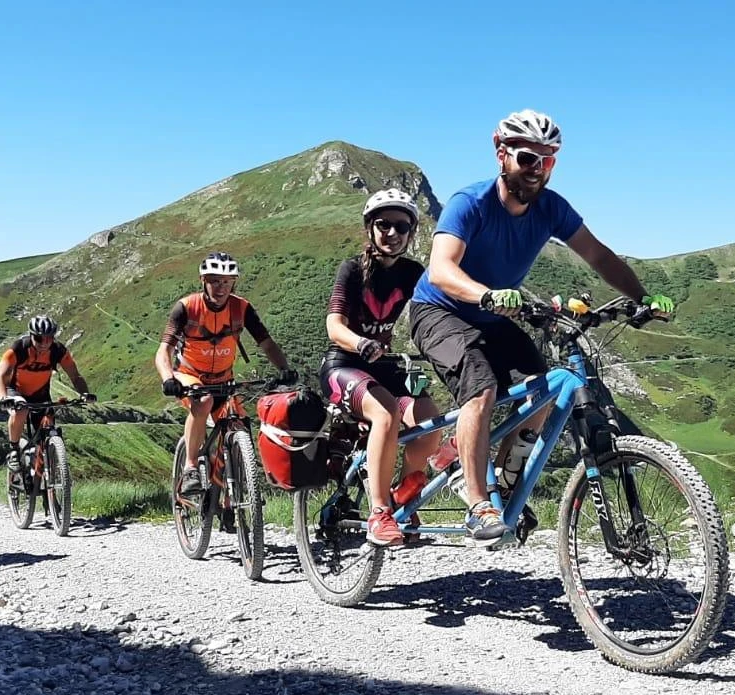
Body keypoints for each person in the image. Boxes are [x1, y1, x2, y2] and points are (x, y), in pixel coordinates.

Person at [410, 109, 674, 546]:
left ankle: (504, 478)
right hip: (440, 311)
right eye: (527, 158)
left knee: (544, 391)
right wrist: (486, 295)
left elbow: (600, 256)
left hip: (494, 316)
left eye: (547, 160)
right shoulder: (470, 203)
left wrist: (641, 297)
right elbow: (441, 270)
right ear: (501, 154)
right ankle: (478, 504)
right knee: (480, 389)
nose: (537, 169)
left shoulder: (552, 209)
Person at [320, 189, 440, 547]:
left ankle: (403, 497)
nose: (392, 233)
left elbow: (438, 309)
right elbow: (334, 326)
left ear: (411, 232)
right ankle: (379, 512)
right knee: (386, 413)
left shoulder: (412, 273)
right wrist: (360, 343)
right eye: (383, 224)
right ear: (370, 228)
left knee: (430, 420)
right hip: (343, 364)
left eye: (401, 226)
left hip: (382, 367)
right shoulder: (353, 270)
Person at [155, 251, 296, 497]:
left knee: (240, 422)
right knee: (203, 401)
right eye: (214, 281)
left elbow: (267, 343)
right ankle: (190, 468)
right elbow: (163, 350)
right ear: (203, 281)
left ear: (234, 282)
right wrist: (168, 378)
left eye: (226, 281)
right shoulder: (186, 308)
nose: (221, 287)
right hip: (189, 374)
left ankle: (230, 496)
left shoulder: (242, 308)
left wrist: (284, 369)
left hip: (223, 378)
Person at [0, 315, 96, 471]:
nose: (44, 343)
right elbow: (0, 377)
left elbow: (75, 376)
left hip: (41, 395)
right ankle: (14, 450)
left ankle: (48, 471)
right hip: (16, 391)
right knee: (21, 411)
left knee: (49, 427)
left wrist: (84, 393)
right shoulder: (18, 349)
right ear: (31, 335)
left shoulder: (58, 351)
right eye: (39, 338)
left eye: (49, 338)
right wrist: (3, 398)